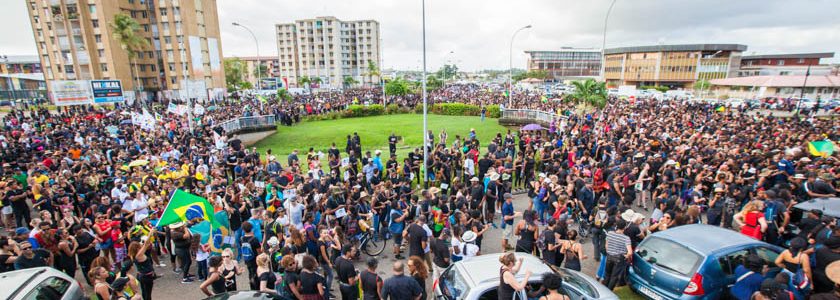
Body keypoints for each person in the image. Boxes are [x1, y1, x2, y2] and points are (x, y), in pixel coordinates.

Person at [128, 228, 157, 300]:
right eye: (139, 245)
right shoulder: (139, 255)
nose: (140, 245)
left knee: (144, 291)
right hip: (146, 276)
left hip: (140, 275)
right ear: (137, 248)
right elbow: (146, 243)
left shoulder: (133, 255)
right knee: (148, 293)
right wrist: (150, 232)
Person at [604, 219, 632, 290]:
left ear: (616, 225)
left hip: (609, 256)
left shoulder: (610, 233)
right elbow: (630, 252)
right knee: (614, 276)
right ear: (625, 227)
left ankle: (604, 289)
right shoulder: (626, 238)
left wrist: (609, 251)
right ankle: (609, 291)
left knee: (607, 275)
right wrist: (626, 255)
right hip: (619, 259)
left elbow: (606, 245)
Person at [241, 221, 263, 290]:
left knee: (250, 274)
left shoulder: (242, 239)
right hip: (255, 260)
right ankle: (257, 289)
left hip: (247, 260)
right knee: (256, 275)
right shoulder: (254, 239)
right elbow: (259, 252)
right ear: (251, 228)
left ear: (243, 230)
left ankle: (252, 288)